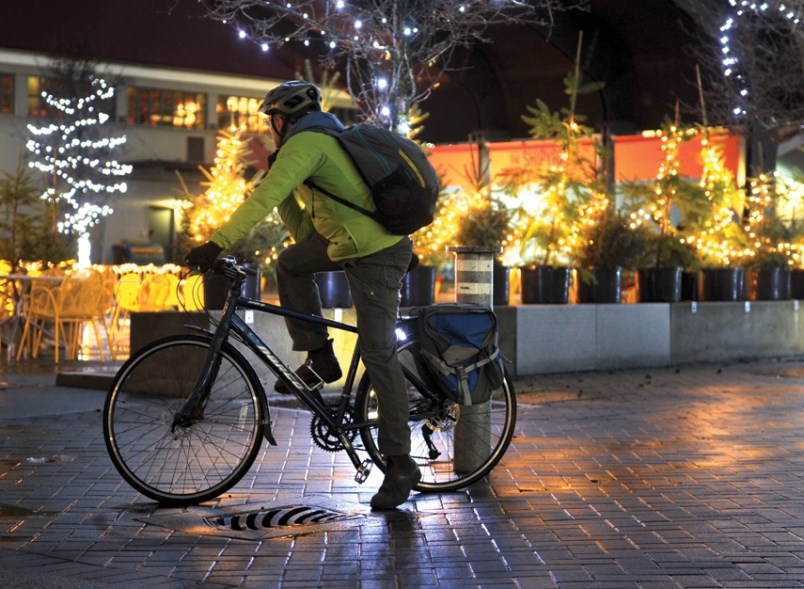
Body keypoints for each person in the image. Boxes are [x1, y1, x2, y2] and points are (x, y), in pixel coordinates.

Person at [184, 80, 421, 510]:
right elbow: (302, 232)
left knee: (378, 351)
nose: (270, 130)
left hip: (377, 253)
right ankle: (320, 356)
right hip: (346, 244)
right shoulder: (311, 144)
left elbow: (260, 200)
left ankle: (401, 462)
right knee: (291, 262)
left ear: (282, 119)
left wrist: (216, 244)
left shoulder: (309, 142)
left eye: (271, 121)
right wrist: (286, 185)